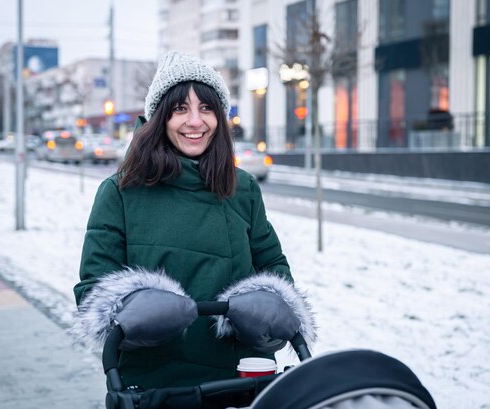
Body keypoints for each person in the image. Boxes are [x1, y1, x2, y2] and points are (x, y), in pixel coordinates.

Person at [71, 51, 316, 390]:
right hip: (156, 382)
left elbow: (272, 265)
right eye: (180, 109)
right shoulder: (120, 192)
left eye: (206, 109)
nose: (195, 122)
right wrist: (136, 309)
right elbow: (93, 290)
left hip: (241, 376)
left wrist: (269, 306)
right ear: (159, 117)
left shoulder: (241, 187)